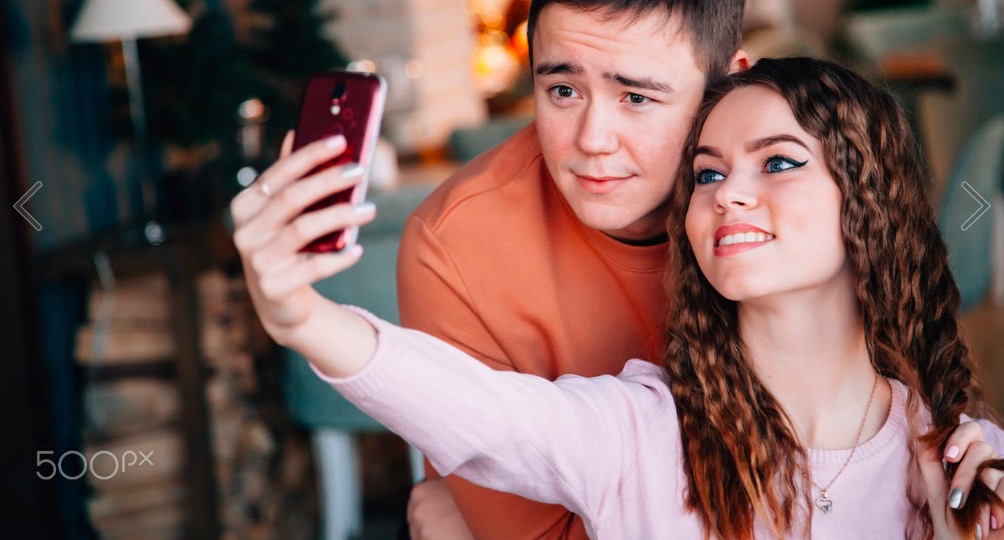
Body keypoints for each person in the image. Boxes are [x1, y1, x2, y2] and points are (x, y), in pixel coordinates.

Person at [232, 57, 1004, 539]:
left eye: (777, 163)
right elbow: (486, 413)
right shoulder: (642, 434)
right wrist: (302, 316)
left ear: (869, 201)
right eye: (707, 173)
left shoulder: (961, 459)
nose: (728, 193)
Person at [397, 0, 748, 539]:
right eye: (563, 90)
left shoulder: (796, 212)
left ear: (729, 84)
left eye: (636, 97)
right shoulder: (453, 247)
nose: (591, 140)